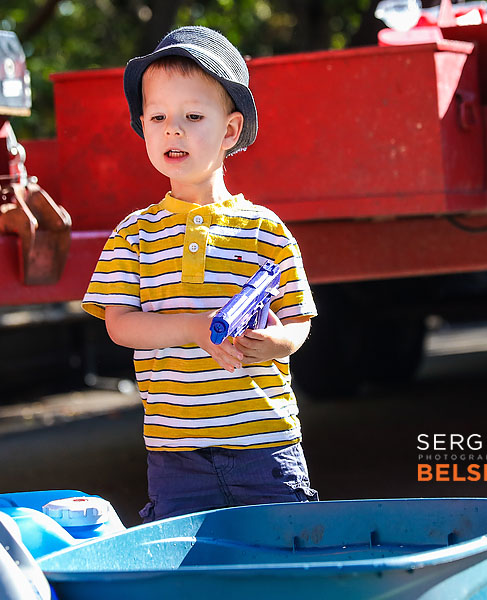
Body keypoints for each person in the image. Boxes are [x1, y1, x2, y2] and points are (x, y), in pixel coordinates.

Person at [81, 26, 319, 522]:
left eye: (193, 116)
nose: (174, 130)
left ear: (229, 131)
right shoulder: (134, 234)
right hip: (175, 452)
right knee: (189, 567)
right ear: (143, 127)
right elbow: (119, 323)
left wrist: (277, 344)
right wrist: (194, 327)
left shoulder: (264, 230)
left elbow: (299, 320)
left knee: (282, 562)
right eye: (159, 117)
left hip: (266, 442)